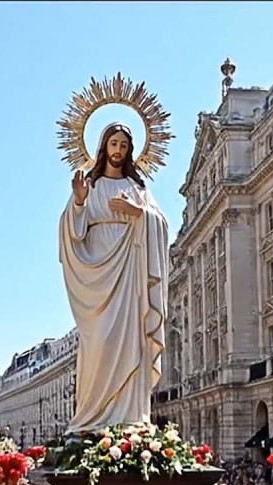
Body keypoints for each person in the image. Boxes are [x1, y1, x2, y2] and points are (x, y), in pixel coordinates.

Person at [59, 121, 170, 433]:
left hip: (131, 276)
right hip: (98, 278)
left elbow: (161, 225)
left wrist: (138, 213)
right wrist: (79, 202)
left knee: (131, 343)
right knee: (100, 344)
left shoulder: (139, 190)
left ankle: (130, 419)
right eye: (114, 144)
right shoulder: (89, 188)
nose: (118, 150)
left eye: (124, 145)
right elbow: (70, 233)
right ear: (103, 147)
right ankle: (92, 419)